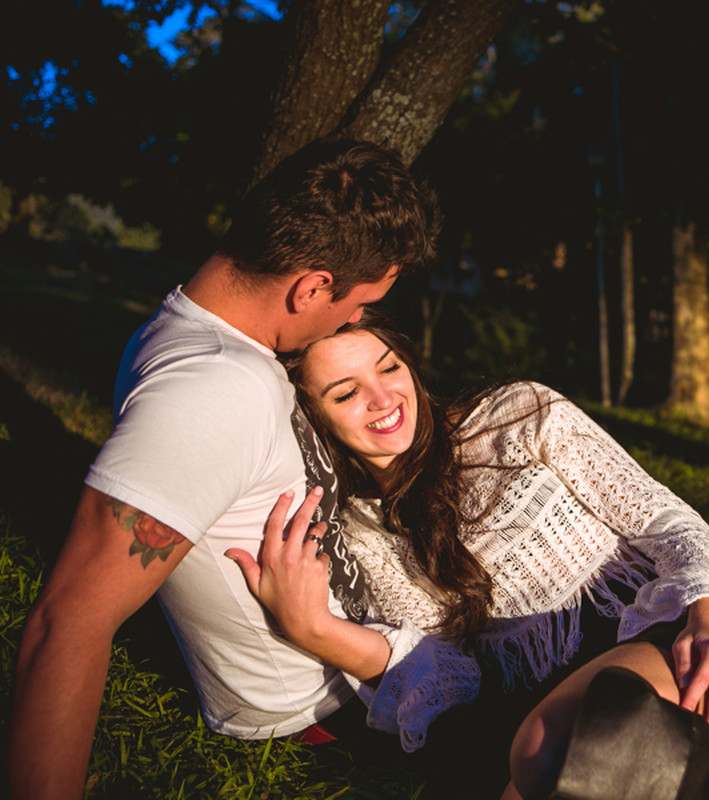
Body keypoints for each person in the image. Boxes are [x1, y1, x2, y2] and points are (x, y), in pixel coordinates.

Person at [228, 309, 709, 799]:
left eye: (388, 368)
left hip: (662, 628)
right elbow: (451, 677)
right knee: (544, 759)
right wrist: (311, 628)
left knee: (554, 747)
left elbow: (661, 518)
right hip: (543, 697)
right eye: (344, 394)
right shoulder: (360, 536)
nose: (383, 398)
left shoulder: (515, 412)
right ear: (316, 420)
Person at [8, 139, 441, 800]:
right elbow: (69, 618)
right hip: (337, 712)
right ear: (312, 288)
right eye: (357, 302)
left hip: (369, 657)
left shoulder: (195, 328)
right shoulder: (214, 387)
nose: (357, 319)